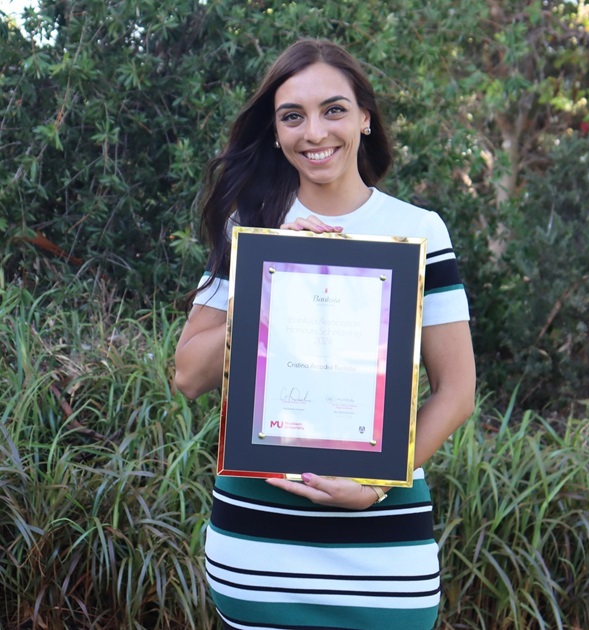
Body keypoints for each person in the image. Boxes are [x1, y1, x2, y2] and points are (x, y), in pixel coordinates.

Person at [175, 38, 476, 630]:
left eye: (333, 110)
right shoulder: (250, 228)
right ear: (278, 131)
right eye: (293, 117)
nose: (314, 132)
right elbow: (189, 375)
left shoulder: (418, 231)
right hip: (258, 548)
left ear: (365, 118)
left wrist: (376, 483)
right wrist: (272, 275)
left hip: (383, 550)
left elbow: (456, 390)